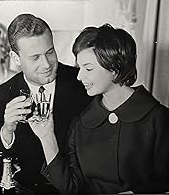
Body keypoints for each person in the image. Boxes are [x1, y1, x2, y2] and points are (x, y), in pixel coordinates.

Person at [30, 24, 169, 194]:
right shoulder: (81, 124)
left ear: (115, 69)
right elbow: (71, 188)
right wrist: (46, 137)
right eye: (79, 68)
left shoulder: (159, 119)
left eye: (88, 68)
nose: (80, 76)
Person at [0, 13, 91, 193]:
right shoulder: (1, 98)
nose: (46, 64)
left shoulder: (83, 84)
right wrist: (7, 130)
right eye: (35, 57)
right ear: (16, 59)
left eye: (50, 52)